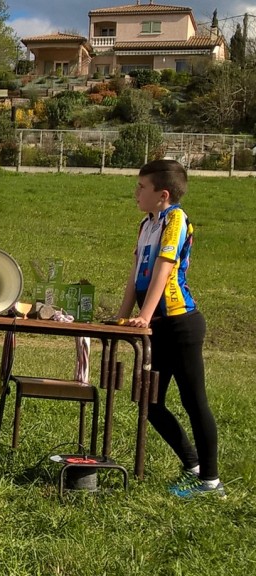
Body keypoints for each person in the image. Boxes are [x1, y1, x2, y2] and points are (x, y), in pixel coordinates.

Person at [116, 159, 224, 499]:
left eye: (141, 188)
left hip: (181, 324)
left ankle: (210, 481)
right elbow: (136, 274)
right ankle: (192, 465)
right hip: (158, 326)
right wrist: (121, 316)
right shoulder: (145, 224)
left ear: (162, 194)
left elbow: (164, 268)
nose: (136, 193)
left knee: (194, 401)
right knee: (148, 399)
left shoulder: (176, 219)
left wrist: (144, 317)